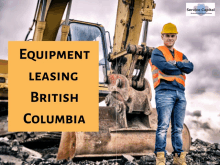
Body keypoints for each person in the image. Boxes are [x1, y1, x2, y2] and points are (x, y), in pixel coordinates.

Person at [149, 23, 194, 165]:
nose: (169, 38)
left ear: (176, 37)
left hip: (180, 93)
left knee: (178, 128)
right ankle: (160, 159)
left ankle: (179, 159)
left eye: (172, 36)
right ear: (162, 36)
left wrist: (177, 64)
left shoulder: (180, 55)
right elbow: (165, 68)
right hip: (164, 91)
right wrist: (180, 67)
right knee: (163, 126)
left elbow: (190, 67)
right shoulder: (157, 52)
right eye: (167, 35)